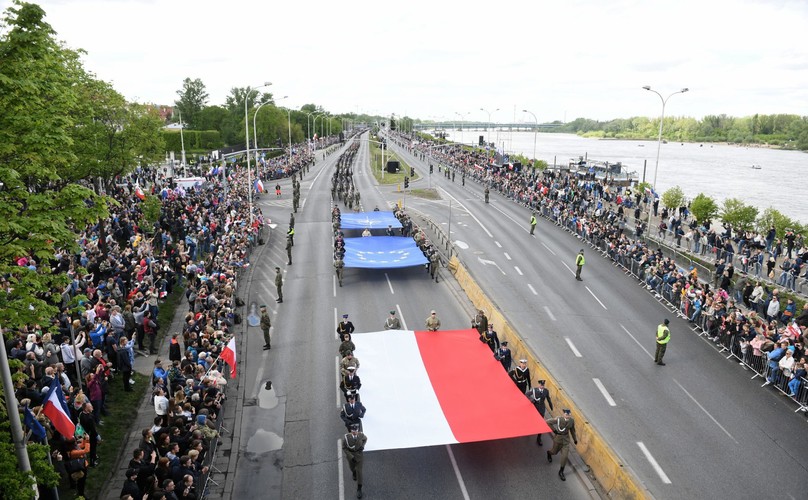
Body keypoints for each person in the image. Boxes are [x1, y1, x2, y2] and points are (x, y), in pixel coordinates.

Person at [546, 409, 578, 481]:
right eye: (566, 414)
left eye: (569, 415)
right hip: (558, 439)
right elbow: (548, 422)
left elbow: (572, 430)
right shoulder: (558, 419)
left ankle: (561, 471)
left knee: (565, 456)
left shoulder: (571, 421)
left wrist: (575, 439)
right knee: (554, 452)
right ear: (563, 414)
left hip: (566, 440)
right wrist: (554, 430)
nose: (568, 416)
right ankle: (549, 453)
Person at [343, 424, 367, 499]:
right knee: (352, 468)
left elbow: (365, 439)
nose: (355, 432)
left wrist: (362, 446)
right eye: (353, 431)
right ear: (351, 431)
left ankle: (359, 488)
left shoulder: (361, 435)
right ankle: (353, 472)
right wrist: (351, 456)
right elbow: (344, 448)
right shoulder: (346, 438)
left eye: (356, 430)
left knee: (359, 471)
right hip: (351, 456)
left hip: (359, 455)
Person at [527, 380, 554, 446]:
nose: (542, 386)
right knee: (532, 420)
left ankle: (539, 438)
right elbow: (527, 394)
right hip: (535, 407)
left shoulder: (546, 391)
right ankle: (529, 429)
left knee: (541, 423)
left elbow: (548, 398)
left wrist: (551, 406)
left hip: (542, 407)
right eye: (541, 385)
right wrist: (532, 400)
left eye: (543, 385)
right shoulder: (534, 390)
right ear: (539, 385)